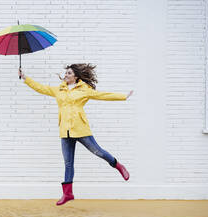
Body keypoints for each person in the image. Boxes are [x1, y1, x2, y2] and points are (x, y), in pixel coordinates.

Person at [18, 64, 133, 206]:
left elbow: (102, 95)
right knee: (68, 163)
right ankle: (68, 194)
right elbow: (41, 88)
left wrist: (123, 97)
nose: (65, 75)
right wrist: (25, 78)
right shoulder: (59, 89)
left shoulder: (84, 90)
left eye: (69, 73)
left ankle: (118, 165)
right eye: (65, 73)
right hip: (65, 131)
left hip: (80, 129)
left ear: (75, 76)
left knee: (98, 152)